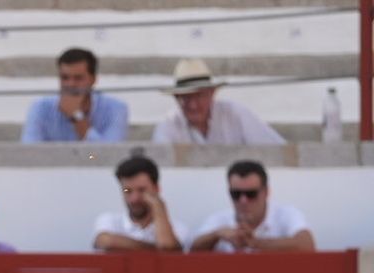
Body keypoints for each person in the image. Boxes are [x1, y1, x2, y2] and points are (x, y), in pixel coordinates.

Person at [191, 160, 315, 254]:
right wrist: (217, 235)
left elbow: (307, 245)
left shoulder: (286, 214)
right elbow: (192, 250)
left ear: (266, 192)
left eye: (251, 194)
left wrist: (255, 243)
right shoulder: (220, 219)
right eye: (236, 194)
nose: (243, 200)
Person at [151, 59, 283, 146]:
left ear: (212, 93)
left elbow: (275, 148)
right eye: (185, 98)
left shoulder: (235, 114)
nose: (193, 105)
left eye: (199, 96)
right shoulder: (169, 124)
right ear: (176, 98)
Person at [21, 48, 127, 143]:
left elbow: (107, 154)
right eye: (65, 78)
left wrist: (77, 116)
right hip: (53, 160)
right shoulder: (41, 108)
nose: (70, 84)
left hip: (91, 158)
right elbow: (29, 152)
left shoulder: (115, 108)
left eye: (78, 78)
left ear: (93, 79)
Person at [93, 156, 187, 252]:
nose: (134, 199)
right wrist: (156, 249)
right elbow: (106, 241)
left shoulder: (178, 227)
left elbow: (168, 248)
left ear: (156, 188)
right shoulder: (110, 220)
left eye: (142, 190)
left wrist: (159, 208)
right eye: (127, 191)